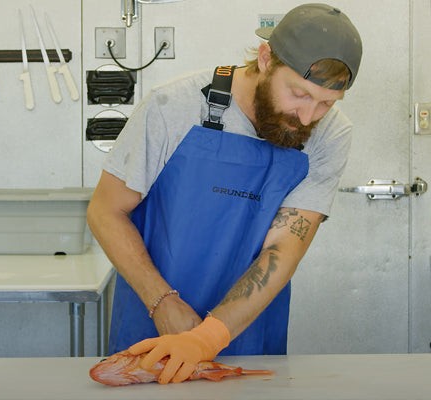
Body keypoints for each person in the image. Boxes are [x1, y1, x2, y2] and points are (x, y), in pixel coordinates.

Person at [87, 3, 362, 384]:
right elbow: (105, 211)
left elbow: (283, 249)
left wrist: (207, 337)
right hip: (152, 325)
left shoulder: (331, 134)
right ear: (266, 59)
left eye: (326, 103)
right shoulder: (174, 105)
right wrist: (162, 302)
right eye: (298, 94)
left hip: (244, 334)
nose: (307, 117)